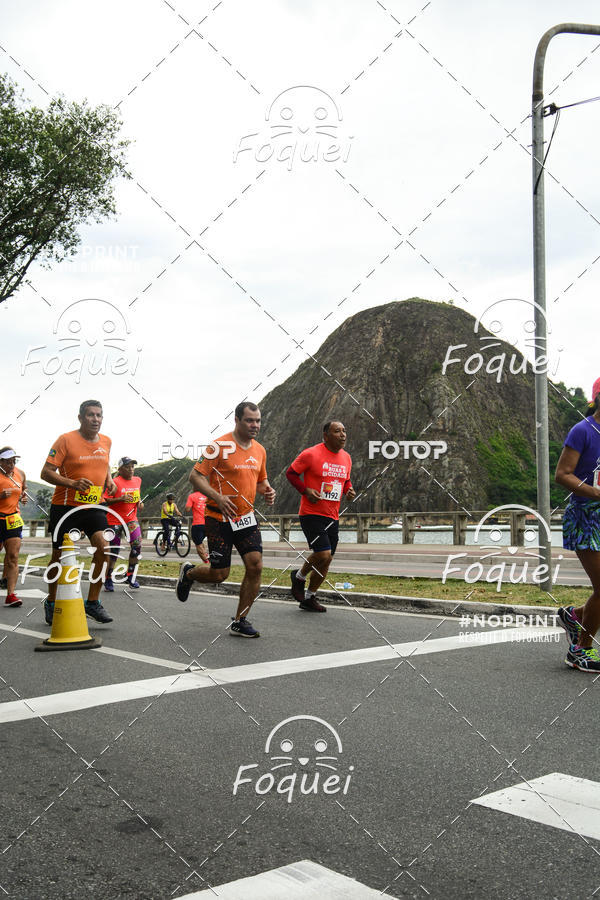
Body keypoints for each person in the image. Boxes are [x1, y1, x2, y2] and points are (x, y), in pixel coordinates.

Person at [175, 402, 276, 637]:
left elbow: (260, 482)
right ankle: (189, 573)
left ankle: (241, 620)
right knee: (220, 574)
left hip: (246, 518)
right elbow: (196, 476)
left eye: (258, 420)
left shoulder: (259, 450)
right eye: (250, 420)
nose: (255, 425)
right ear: (237, 420)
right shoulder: (219, 445)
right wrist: (218, 497)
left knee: (256, 565)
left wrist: (268, 490)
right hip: (218, 518)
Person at [40, 400, 116, 626]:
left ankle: (92, 602)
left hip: (94, 505)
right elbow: (45, 472)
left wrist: (109, 479)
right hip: (66, 507)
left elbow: (104, 463)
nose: (96, 419)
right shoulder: (65, 440)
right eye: (91, 415)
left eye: (99, 415)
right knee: (58, 557)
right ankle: (51, 602)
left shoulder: (107, 441)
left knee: (105, 547)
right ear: (81, 418)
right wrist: (71, 483)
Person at [556, 377, 600, 672]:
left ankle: (575, 615)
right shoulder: (583, 431)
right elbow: (563, 474)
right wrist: (596, 492)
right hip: (586, 517)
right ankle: (580, 650)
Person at [286, 421, 355, 612]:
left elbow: (346, 480)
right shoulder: (311, 454)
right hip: (311, 513)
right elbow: (291, 474)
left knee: (327, 559)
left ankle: (309, 597)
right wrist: (305, 490)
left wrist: (348, 490)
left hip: (332, 516)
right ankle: (298, 577)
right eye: (337, 431)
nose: (343, 435)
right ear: (326, 436)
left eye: (344, 431)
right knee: (322, 553)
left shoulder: (346, 458)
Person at [103, 457, 144, 591]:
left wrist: (139, 503)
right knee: (114, 551)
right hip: (114, 520)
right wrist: (121, 498)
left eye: (132, 466)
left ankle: (131, 576)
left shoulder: (138, 480)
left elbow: (137, 496)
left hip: (131, 519)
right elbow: (105, 500)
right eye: (128, 467)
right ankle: (108, 578)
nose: (131, 469)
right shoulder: (114, 482)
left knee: (136, 546)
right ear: (120, 469)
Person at [0, 447, 27, 607]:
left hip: (12, 519)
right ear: (1, 462)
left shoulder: (20, 474)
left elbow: (23, 489)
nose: (12, 464)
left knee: (13, 557)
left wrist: (23, 497)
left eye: (13, 461)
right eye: (8, 462)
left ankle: (11, 595)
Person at [185, 489, 209, 563]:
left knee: (198, 545)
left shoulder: (192, 496)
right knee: (201, 543)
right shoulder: (208, 495)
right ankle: (207, 557)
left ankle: (207, 563)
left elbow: (187, 509)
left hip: (198, 524)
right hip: (209, 524)